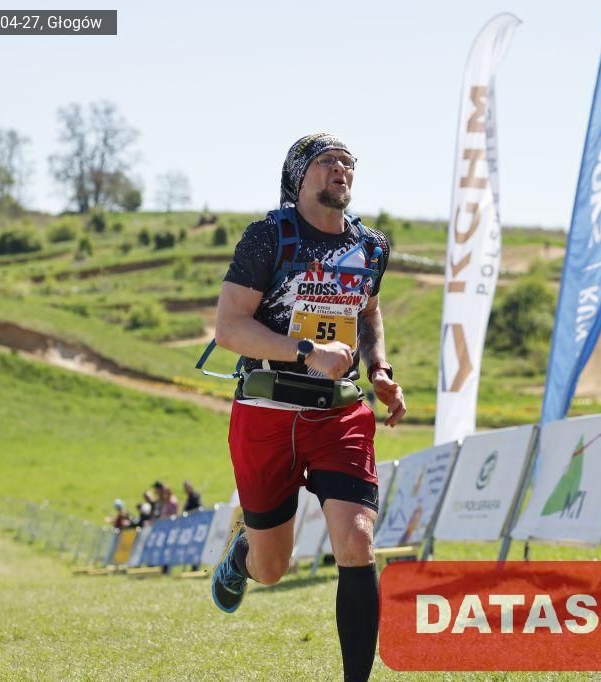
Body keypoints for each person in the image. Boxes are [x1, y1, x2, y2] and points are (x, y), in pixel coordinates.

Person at [208, 133, 406, 681]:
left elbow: (368, 311)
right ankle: (244, 554)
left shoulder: (371, 246)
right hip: (266, 410)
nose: (340, 169)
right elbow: (229, 328)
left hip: (339, 415)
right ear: (298, 176)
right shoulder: (269, 237)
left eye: (347, 162)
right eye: (325, 162)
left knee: (358, 541)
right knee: (273, 568)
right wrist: (307, 352)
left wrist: (380, 370)